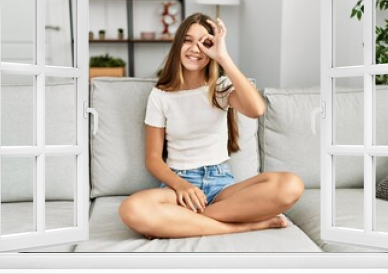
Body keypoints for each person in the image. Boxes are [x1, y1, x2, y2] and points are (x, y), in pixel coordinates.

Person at [118, 13, 304, 239]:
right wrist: (182, 186)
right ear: (178, 44)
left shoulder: (221, 88)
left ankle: (182, 222)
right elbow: (153, 159)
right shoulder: (161, 96)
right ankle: (243, 226)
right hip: (180, 188)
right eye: (187, 40)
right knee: (132, 208)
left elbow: (256, 110)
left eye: (205, 43)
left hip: (222, 188)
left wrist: (224, 57)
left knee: (291, 185)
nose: (195, 48)